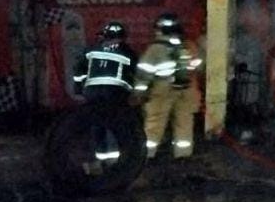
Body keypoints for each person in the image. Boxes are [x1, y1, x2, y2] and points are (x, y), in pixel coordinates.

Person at [134, 12, 202, 160]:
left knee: (155, 124)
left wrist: (139, 92)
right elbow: (197, 67)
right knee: (184, 123)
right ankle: (183, 155)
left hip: (162, 90)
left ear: (159, 29)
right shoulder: (189, 46)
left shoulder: (155, 49)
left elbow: (144, 73)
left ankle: (148, 155)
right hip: (187, 89)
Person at [72, 21, 137, 166]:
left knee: (97, 124)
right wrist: (134, 93)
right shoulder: (127, 52)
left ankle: (101, 159)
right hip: (115, 93)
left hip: (92, 93)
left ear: (104, 36)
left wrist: (78, 90)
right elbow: (136, 74)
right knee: (115, 124)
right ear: (122, 37)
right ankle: (116, 163)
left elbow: (78, 71)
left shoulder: (91, 50)